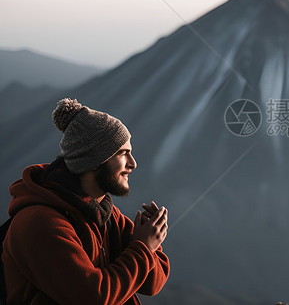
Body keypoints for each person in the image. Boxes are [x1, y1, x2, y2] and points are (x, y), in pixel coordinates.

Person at [2, 98, 170, 304]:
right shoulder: (39, 223)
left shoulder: (106, 215)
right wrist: (144, 246)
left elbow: (152, 284)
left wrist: (152, 242)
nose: (133, 164)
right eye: (123, 153)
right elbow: (93, 297)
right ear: (93, 161)